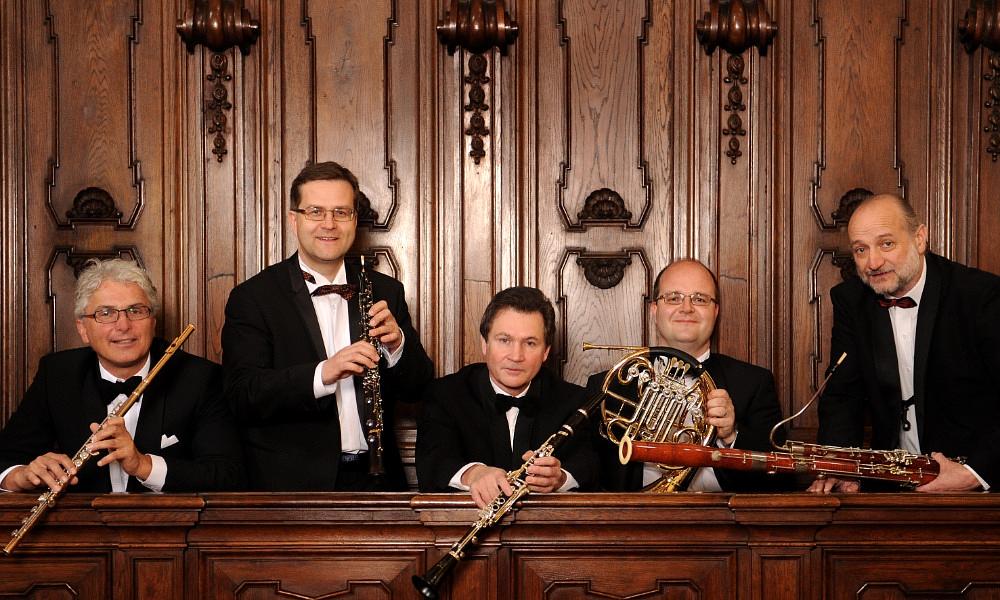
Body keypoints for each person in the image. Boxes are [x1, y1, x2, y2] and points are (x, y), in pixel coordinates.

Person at [222, 161, 433, 491]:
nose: (329, 224)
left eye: (341, 212)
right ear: (294, 220)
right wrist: (323, 374)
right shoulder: (254, 297)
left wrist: (397, 347)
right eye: (315, 211)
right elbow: (242, 395)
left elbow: (418, 388)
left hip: (377, 482)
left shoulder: (386, 290)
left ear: (354, 220)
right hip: (292, 488)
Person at [0, 258, 244, 493]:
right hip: (79, 521)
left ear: (153, 321)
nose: (124, 325)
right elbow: (5, 459)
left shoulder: (199, 378)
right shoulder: (57, 375)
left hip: (168, 522)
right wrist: (20, 476)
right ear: (83, 329)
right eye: (106, 313)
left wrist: (143, 465)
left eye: (135, 311)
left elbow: (228, 474)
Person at [811, 193, 1000, 493]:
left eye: (887, 244)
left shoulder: (980, 295)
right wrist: (840, 465)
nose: (873, 262)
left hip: (976, 488)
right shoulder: (851, 300)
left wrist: (973, 474)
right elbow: (843, 395)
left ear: (919, 239)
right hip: (889, 488)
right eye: (861, 250)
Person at [588, 259, 789, 492]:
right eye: (673, 298)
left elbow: (780, 479)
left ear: (715, 312)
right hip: (633, 513)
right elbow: (589, 476)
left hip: (722, 514)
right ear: (654, 309)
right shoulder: (609, 386)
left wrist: (731, 436)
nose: (686, 308)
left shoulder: (754, 383)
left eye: (700, 299)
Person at [416, 286, 598, 508]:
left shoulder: (575, 401)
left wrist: (560, 479)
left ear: (546, 352)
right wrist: (474, 473)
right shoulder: (445, 394)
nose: (516, 356)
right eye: (504, 340)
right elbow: (433, 461)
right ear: (485, 344)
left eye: (530, 343)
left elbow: (589, 465)